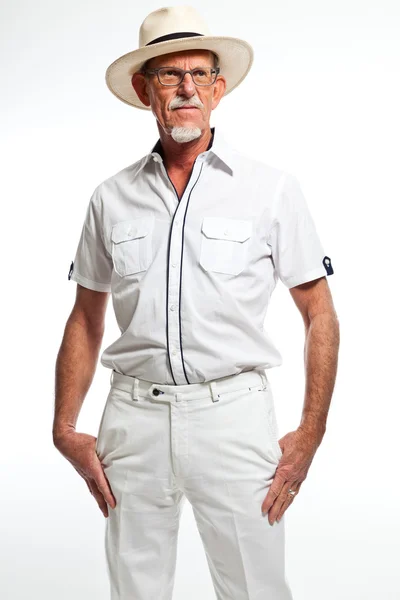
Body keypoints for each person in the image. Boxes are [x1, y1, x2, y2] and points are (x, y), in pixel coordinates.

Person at [53, 6, 340, 599]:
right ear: (143, 88)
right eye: (168, 74)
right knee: (135, 590)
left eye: (199, 73)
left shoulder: (271, 189)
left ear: (218, 87)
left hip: (234, 417)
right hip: (132, 421)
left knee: (255, 589)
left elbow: (320, 314)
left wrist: (311, 431)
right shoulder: (110, 198)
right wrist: (64, 427)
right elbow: (86, 317)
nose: (186, 87)